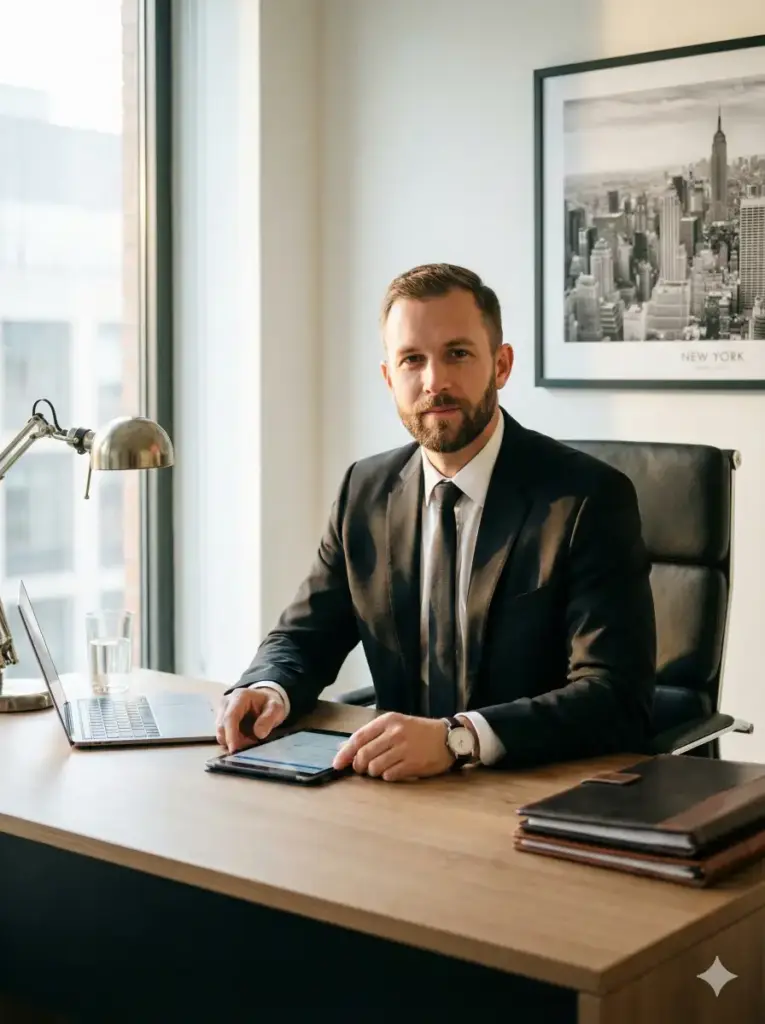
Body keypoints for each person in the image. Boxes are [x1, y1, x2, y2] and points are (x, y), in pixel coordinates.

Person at [216, 263, 657, 779]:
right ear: (389, 377)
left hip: (533, 791)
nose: (435, 382)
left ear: (501, 364)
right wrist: (266, 688)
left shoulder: (585, 499)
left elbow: (615, 697)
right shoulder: (365, 489)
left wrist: (458, 738)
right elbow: (303, 636)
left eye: (458, 354)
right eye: (411, 360)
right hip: (397, 788)